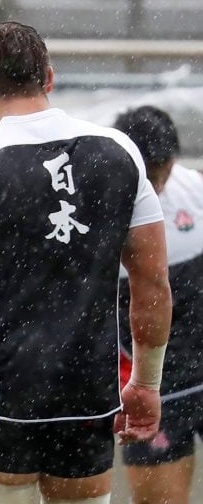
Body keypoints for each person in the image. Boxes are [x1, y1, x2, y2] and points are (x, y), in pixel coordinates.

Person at [0, 22, 172, 504]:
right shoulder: (121, 152)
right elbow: (152, 284)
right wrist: (146, 384)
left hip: (0, 396)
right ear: (49, 77)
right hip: (87, 395)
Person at [114, 106, 203, 504]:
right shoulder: (95, 212)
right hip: (152, 387)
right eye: (144, 176)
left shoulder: (196, 193)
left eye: (159, 173)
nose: (153, 185)